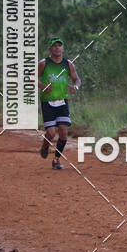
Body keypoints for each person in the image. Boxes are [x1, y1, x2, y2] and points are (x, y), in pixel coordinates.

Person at [38, 37, 81, 170]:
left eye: (59, 46)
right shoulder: (44, 63)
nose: (57, 48)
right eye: (54, 46)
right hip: (48, 102)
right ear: (50, 49)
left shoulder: (68, 64)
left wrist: (75, 87)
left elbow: (77, 79)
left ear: (62, 48)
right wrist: (43, 86)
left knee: (63, 132)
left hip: (62, 102)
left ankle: (56, 159)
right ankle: (45, 146)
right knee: (51, 134)